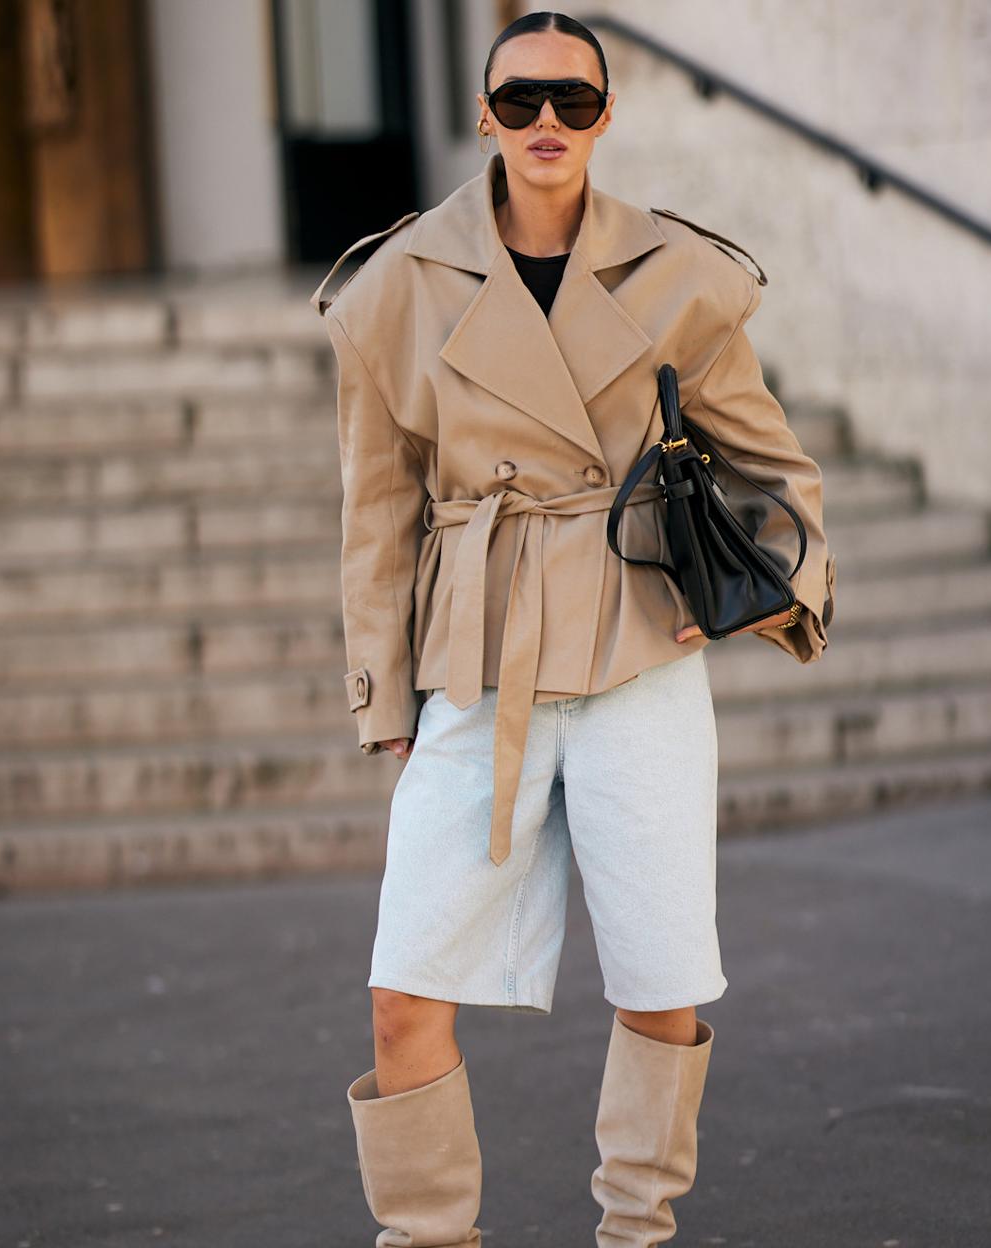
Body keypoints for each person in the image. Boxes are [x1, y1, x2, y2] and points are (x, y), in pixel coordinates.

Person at [311, 12, 836, 1245]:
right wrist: (383, 692)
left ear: (605, 115)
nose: (546, 121)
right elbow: (375, 510)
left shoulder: (674, 275)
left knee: (659, 984)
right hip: (476, 660)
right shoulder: (395, 285)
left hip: (635, 644)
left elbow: (774, 467)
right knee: (402, 994)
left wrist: (765, 589)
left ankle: (635, 1233)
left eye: (574, 100)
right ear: (483, 114)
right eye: (521, 99)